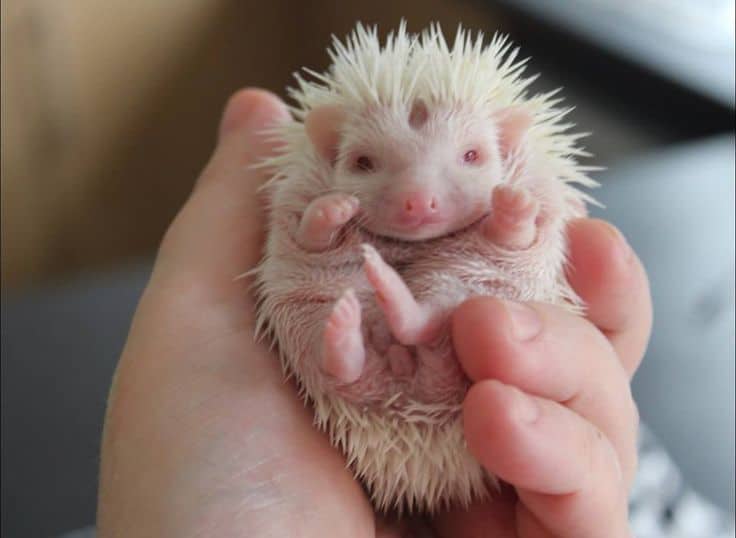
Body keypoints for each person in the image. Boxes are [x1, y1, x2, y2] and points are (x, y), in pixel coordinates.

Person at [94, 89, 732, 537]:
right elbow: (293, 265)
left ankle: (401, 338)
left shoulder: (522, 189)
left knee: (494, 282)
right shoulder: (305, 182)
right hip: (372, 342)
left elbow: (532, 265)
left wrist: (515, 233)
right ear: (328, 149)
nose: (418, 199)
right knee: (323, 290)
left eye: (471, 158)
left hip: (451, 365)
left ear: (509, 146)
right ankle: (370, 355)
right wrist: (318, 232)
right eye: (368, 163)